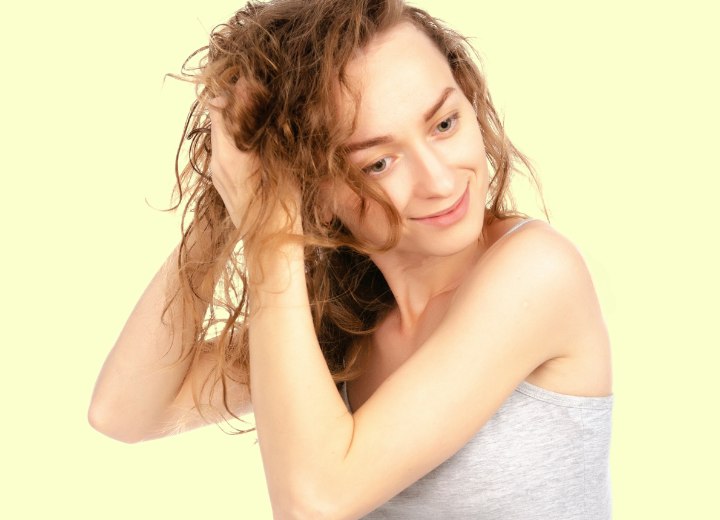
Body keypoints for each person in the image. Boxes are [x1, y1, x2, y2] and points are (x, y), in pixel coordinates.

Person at [89, 0, 613, 518]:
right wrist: (236, 200)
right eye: (379, 162)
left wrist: (267, 228)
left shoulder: (538, 272)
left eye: (445, 124)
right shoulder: (346, 316)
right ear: (315, 191)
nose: (440, 180)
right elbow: (125, 411)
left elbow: (314, 502)